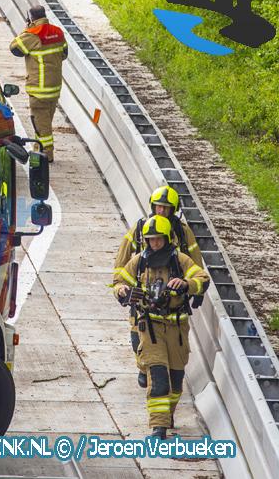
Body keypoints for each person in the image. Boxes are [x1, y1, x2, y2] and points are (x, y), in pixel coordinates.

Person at [113, 216, 209, 439]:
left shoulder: (180, 260)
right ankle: (158, 428)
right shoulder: (139, 262)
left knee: (176, 380)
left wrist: (186, 284)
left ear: (167, 239)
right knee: (158, 378)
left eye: (158, 240)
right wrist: (122, 292)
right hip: (150, 329)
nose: (154, 244)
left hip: (177, 329)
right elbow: (120, 282)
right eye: (150, 240)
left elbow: (202, 279)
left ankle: (168, 414)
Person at [114, 185, 203, 388]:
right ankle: (145, 367)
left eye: (166, 208)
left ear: (173, 210)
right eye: (158, 207)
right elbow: (121, 264)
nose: (161, 211)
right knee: (138, 336)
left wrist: (195, 288)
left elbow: (195, 259)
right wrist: (122, 289)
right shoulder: (140, 229)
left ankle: (158, 372)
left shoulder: (182, 232)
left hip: (172, 295)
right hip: (141, 294)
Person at [9, 4, 68, 163]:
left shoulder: (32, 34)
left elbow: (14, 48)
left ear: (31, 18)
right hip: (54, 88)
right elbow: (64, 54)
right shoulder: (58, 32)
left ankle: (45, 154)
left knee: (41, 125)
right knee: (45, 122)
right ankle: (39, 148)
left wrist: (26, 29)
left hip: (39, 90)